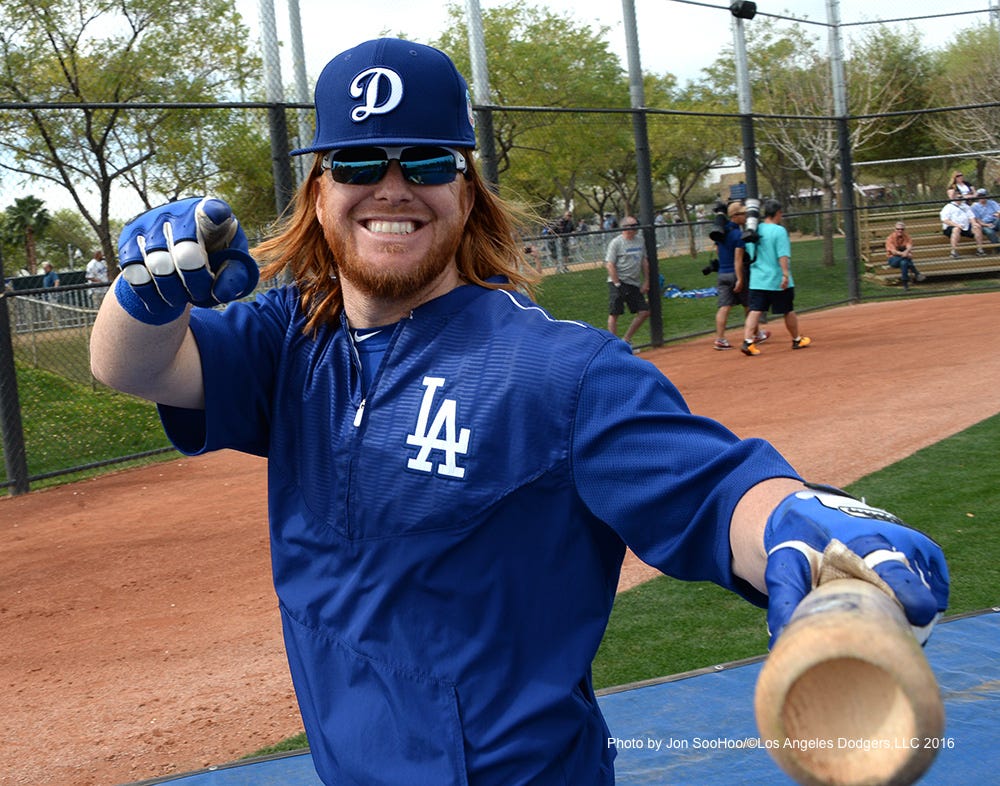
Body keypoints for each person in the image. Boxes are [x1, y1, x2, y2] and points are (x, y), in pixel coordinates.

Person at [89, 38, 948, 786]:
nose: (392, 188)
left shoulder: (561, 370)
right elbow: (131, 367)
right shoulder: (291, 338)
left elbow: (715, 494)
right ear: (319, 193)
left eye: (426, 163)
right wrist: (147, 293)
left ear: (466, 194)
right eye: (357, 163)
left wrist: (799, 522)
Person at [741, 199, 811, 355]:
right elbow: (783, 255)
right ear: (778, 213)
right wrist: (785, 274)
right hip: (777, 280)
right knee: (788, 310)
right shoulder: (779, 231)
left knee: (755, 310)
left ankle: (748, 342)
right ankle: (796, 339)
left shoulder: (754, 229)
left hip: (758, 280)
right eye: (781, 213)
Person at [712, 201, 769, 350]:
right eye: (743, 214)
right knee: (749, 305)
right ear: (735, 216)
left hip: (722, 273)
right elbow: (738, 260)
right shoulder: (738, 234)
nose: (746, 217)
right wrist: (740, 279)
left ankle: (720, 339)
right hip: (734, 274)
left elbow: (718, 251)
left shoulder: (721, 232)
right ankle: (755, 334)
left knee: (724, 307)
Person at [604, 216, 650, 348]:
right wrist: (617, 284)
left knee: (644, 312)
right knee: (615, 313)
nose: (636, 229)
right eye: (633, 226)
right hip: (618, 281)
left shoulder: (640, 240)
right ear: (625, 228)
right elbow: (610, 265)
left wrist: (646, 281)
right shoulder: (616, 243)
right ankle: (614, 345)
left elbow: (644, 261)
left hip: (633, 282)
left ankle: (626, 340)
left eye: (636, 226)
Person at [884, 222, 925, 290]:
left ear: (904, 230)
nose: (900, 230)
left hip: (904, 259)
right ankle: (916, 273)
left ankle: (905, 284)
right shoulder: (890, 238)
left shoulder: (907, 236)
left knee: (904, 263)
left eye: (902, 229)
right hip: (893, 259)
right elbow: (893, 252)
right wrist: (905, 254)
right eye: (898, 229)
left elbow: (909, 246)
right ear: (895, 229)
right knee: (905, 260)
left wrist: (906, 252)